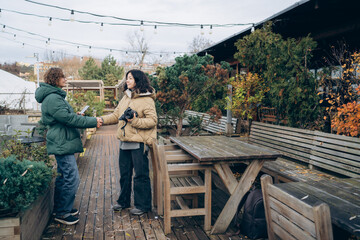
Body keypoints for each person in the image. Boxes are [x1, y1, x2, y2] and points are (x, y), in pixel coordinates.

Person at [35, 67, 103, 225]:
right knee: (72, 178)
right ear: (55, 79)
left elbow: (66, 117)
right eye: (62, 77)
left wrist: (76, 116)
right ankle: (63, 213)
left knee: (63, 176)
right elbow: (67, 120)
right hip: (61, 142)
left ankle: (61, 208)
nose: (65, 79)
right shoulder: (53, 98)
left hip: (62, 140)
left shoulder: (55, 97)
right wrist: (93, 121)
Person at [101, 69, 157, 215]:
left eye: (130, 78)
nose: (127, 80)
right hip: (124, 141)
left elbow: (152, 121)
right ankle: (123, 202)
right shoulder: (125, 97)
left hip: (139, 143)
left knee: (140, 175)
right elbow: (115, 115)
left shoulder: (147, 99)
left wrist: (135, 121)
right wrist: (100, 120)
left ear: (138, 80)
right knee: (125, 174)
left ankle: (143, 205)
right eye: (127, 78)